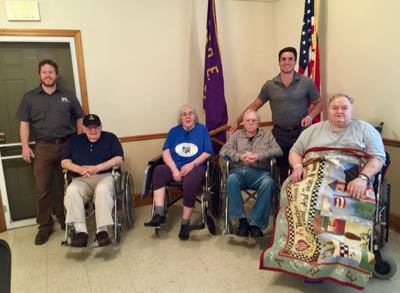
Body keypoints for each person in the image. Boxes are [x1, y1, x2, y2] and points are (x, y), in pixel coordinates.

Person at [16, 59, 84, 245]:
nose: (48, 75)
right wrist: (24, 146)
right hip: (43, 148)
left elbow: (80, 117)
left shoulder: (68, 96)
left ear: (57, 75)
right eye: (44, 72)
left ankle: (66, 220)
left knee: (68, 186)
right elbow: (24, 123)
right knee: (43, 188)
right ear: (40, 75)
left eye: (51, 72)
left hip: (67, 145)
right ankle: (44, 227)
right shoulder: (29, 97)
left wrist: (79, 140)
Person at [230, 47, 322, 180]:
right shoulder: (269, 85)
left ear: (295, 61)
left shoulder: (306, 82)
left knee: (301, 167)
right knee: (279, 170)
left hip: (301, 132)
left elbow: (319, 103)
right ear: (278, 62)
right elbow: (255, 105)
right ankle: (280, 198)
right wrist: (237, 121)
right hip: (279, 135)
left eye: (290, 59)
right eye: (283, 59)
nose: (287, 62)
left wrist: (310, 116)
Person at [289, 93, 386, 197]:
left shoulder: (366, 129)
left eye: (344, 108)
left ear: (351, 110)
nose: (339, 111)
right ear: (328, 110)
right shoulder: (312, 130)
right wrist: (298, 166)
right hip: (311, 180)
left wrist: (363, 178)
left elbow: (378, 157)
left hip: (352, 182)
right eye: (335, 108)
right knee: (294, 195)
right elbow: (295, 151)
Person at [144, 105, 213, 240]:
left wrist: (192, 165)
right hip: (175, 166)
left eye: (190, 114)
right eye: (184, 114)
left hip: (195, 167)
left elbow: (207, 152)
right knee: (158, 171)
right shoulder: (174, 131)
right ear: (180, 118)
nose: (187, 116)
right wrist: (174, 169)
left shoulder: (202, 130)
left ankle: (185, 223)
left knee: (189, 181)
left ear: (195, 116)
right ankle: (159, 215)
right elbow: (166, 152)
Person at [61, 114, 124, 247]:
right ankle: (81, 233)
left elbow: (119, 159)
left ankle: (102, 231)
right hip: (82, 178)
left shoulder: (110, 138)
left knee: (102, 190)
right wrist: (79, 169)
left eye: (96, 127)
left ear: (101, 126)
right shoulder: (74, 140)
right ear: (83, 128)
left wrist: (97, 168)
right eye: (89, 127)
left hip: (106, 176)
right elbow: (64, 162)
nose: (93, 130)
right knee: (72, 190)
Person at [220, 110, 282, 237]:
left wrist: (258, 156)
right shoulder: (237, 135)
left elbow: (278, 151)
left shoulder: (267, 135)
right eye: (247, 120)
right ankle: (242, 221)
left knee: (269, 183)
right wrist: (239, 156)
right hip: (238, 172)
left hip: (260, 173)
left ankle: (256, 223)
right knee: (230, 180)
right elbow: (223, 150)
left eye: (254, 120)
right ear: (243, 123)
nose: (250, 123)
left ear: (258, 123)